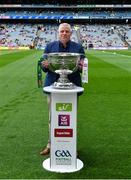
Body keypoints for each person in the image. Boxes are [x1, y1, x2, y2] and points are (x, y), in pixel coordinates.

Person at [40, 23, 85, 155]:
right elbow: (43, 68)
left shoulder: (78, 47)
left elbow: (83, 66)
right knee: (52, 117)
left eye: (67, 31)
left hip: (73, 86)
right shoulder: (50, 46)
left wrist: (82, 66)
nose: (64, 33)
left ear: (70, 33)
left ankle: (72, 146)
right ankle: (50, 144)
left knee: (72, 117)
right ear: (58, 33)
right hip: (53, 86)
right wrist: (45, 65)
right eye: (62, 31)